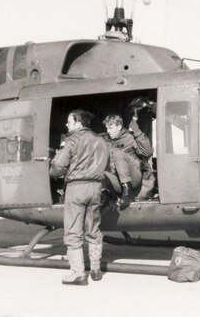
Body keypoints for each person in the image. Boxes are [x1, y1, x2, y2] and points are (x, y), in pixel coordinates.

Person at [50, 110, 109, 285]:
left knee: (73, 231)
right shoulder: (101, 140)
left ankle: (77, 273)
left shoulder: (72, 140)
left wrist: (52, 172)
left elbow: (59, 165)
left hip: (76, 188)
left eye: (69, 122)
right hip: (96, 187)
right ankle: (96, 268)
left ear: (78, 123)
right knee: (93, 228)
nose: (66, 125)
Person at [102, 114, 153, 209]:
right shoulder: (106, 141)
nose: (108, 131)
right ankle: (106, 196)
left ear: (119, 126)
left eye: (111, 128)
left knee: (117, 153)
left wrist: (137, 132)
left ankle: (127, 192)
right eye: (107, 128)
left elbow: (147, 152)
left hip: (133, 178)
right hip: (116, 180)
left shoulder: (130, 138)